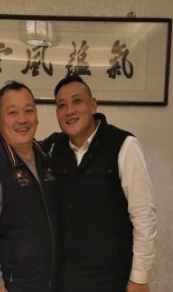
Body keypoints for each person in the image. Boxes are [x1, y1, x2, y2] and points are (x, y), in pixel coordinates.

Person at [43, 75, 156, 292]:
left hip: (111, 279)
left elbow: (144, 215)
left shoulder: (123, 145)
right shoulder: (54, 149)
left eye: (77, 101)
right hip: (65, 279)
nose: (69, 111)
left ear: (93, 105)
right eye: (62, 105)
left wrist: (140, 277)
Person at [0, 81, 59, 292]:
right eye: (12, 113)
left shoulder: (47, 161)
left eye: (29, 110)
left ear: (37, 116)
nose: (22, 119)